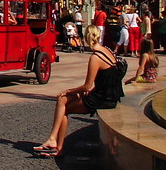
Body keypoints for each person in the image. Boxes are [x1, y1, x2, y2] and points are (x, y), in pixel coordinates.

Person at [33, 25, 123, 156]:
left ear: (86, 38)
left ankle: (57, 144)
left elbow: (87, 86)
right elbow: (106, 80)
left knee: (65, 106)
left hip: (102, 99)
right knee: (62, 100)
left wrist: (68, 91)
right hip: (108, 95)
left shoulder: (95, 57)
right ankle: (53, 141)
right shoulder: (107, 51)